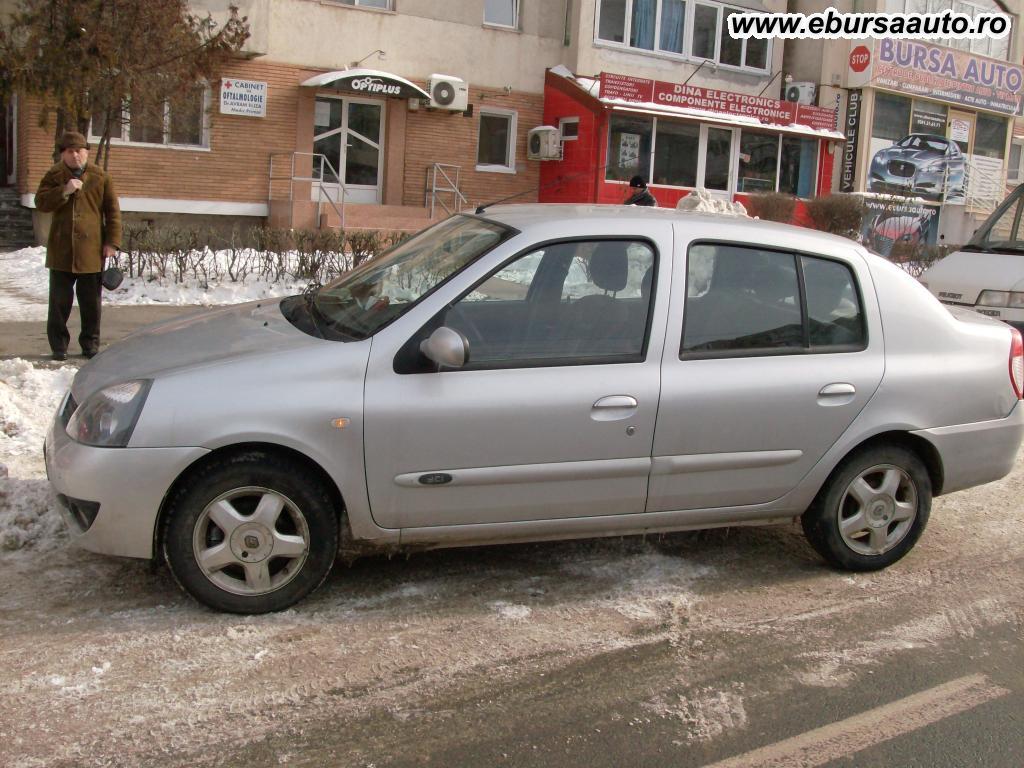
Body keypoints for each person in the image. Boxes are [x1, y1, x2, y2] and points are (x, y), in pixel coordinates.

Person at [35, 131, 121, 361]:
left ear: (86, 152)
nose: (76, 155)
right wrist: (64, 190)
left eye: (80, 151)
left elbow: (112, 212)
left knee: (91, 304)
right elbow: (41, 203)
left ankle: (90, 345)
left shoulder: (101, 177)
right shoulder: (54, 175)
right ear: (63, 154)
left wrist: (111, 242)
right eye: (70, 151)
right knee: (59, 304)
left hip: (91, 252)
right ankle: (59, 346)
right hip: (61, 251)